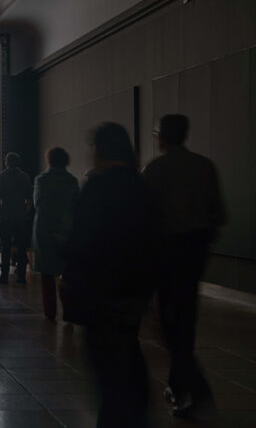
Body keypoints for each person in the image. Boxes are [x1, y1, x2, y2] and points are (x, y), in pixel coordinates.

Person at [61, 123, 158, 428]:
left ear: (99, 150)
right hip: (133, 289)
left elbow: (83, 240)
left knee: (106, 364)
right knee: (127, 350)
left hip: (99, 290)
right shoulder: (141, 186)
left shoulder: (97, 187)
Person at [142, 114, 226, 416]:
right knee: (185, 320)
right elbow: (218, 214)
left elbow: (144, 216)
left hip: (166, 253)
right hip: (195, 253)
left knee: (167, 324)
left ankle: (196, 391)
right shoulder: (204, 167)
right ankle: (179, 386)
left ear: (162, 137)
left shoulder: (156, 169)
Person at [32, 147, 79, 320]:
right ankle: (69, 311)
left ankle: (50, 312)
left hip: (45, 229)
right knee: (67, 274)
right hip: (68, 229)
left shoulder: (41, 180)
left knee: (47, 275)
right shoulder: (72, 181)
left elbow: (38, 203)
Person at [0, 152, 33, 284]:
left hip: (6, 216)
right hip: (20, 216)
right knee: (22, 247)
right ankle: (22, 276)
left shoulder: (2, 177)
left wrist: (0, 212)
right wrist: (25, 211)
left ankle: (4, 275)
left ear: (7, 162)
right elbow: (29, 198)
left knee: (6, 247)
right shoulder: (24, 177)